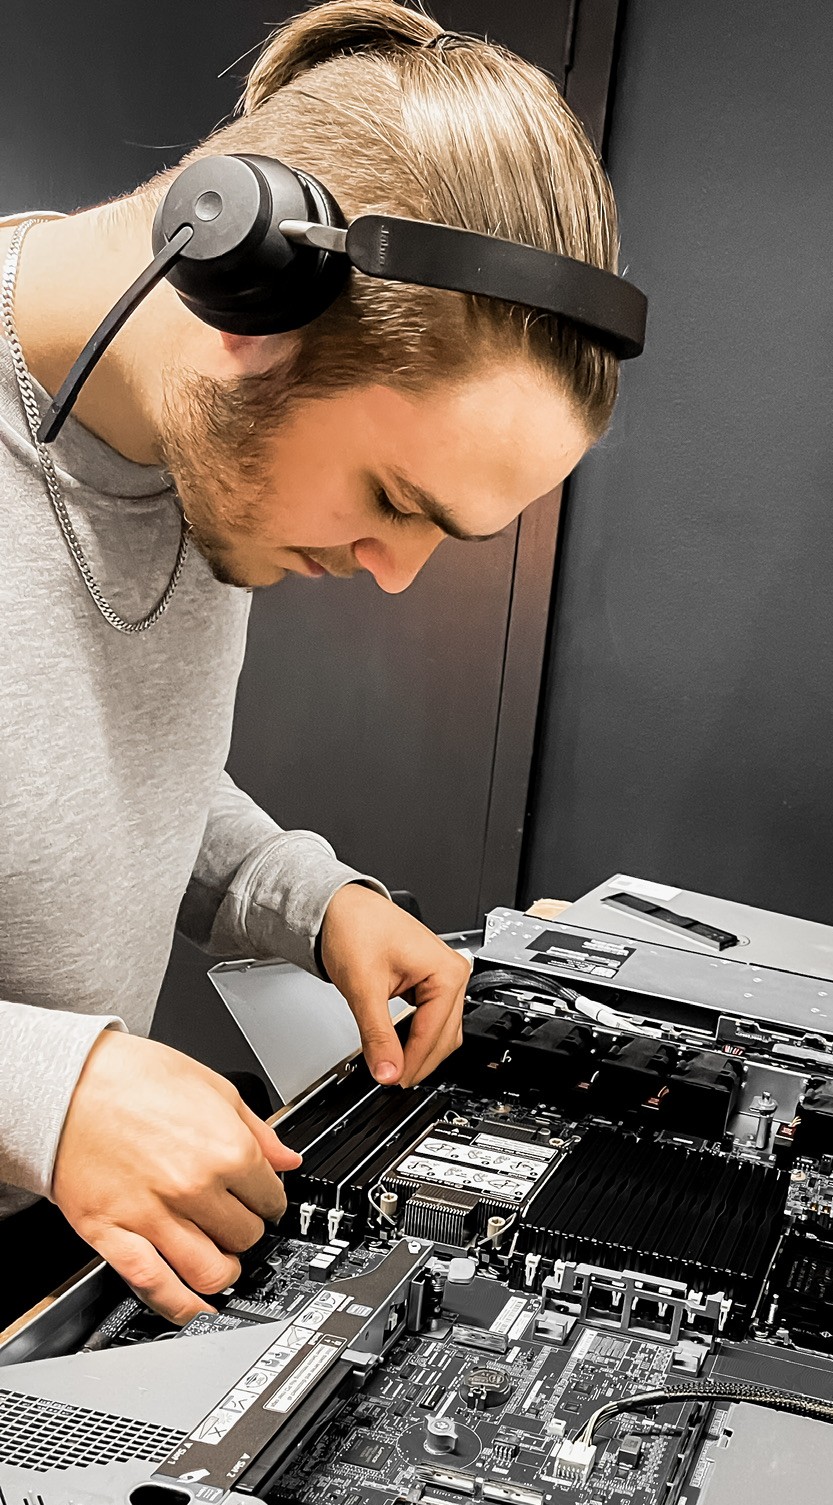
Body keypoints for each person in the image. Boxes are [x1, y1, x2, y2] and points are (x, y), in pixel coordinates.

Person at [0, 1, 626, 1329]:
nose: (396, 574)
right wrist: (44, 1083)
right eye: (396, 498)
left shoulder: (174, 423)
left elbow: (74, 747)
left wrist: (304, 896)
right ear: (246, 311)